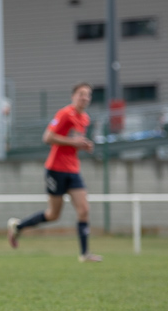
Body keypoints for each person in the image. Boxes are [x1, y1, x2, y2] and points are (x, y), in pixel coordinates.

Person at [7, 82, 102, 262]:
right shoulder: (65, 113)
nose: (85, 98)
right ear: (73, 96)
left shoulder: (85, 119)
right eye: (81, 94)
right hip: (55, 169)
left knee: (84, 210)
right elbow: (47, 137)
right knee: (53, 215)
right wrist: (74, 143)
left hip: (73, 169)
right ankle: (18, 227)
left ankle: (85, 254)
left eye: (88, 95)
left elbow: (73, 141)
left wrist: (84, 145)